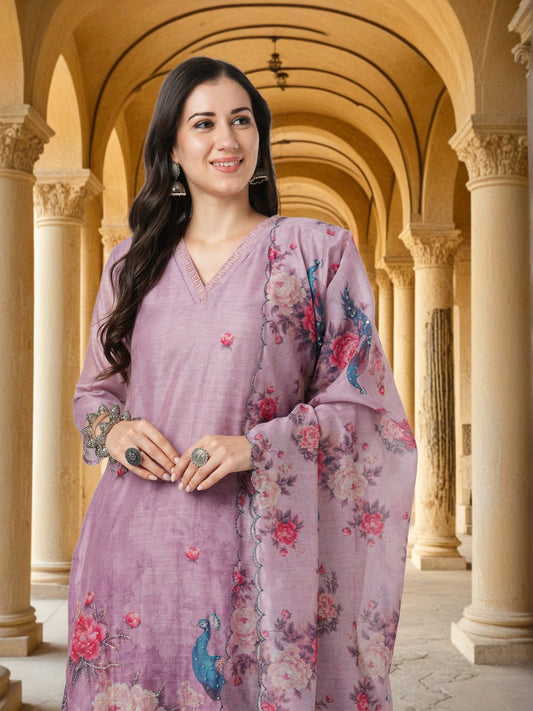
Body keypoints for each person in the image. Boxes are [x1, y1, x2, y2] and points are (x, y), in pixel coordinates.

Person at [63, 56, 417, 711]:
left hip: (262, 555)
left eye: (241, 120)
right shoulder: (128, 263)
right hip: (136, 550)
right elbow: (94, 394)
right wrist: (114, 431)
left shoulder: (319, 252)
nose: (226, 139)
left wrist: (257, 446)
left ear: (259, 135)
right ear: (172, 147)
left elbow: (363, 406)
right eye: (203, 123)